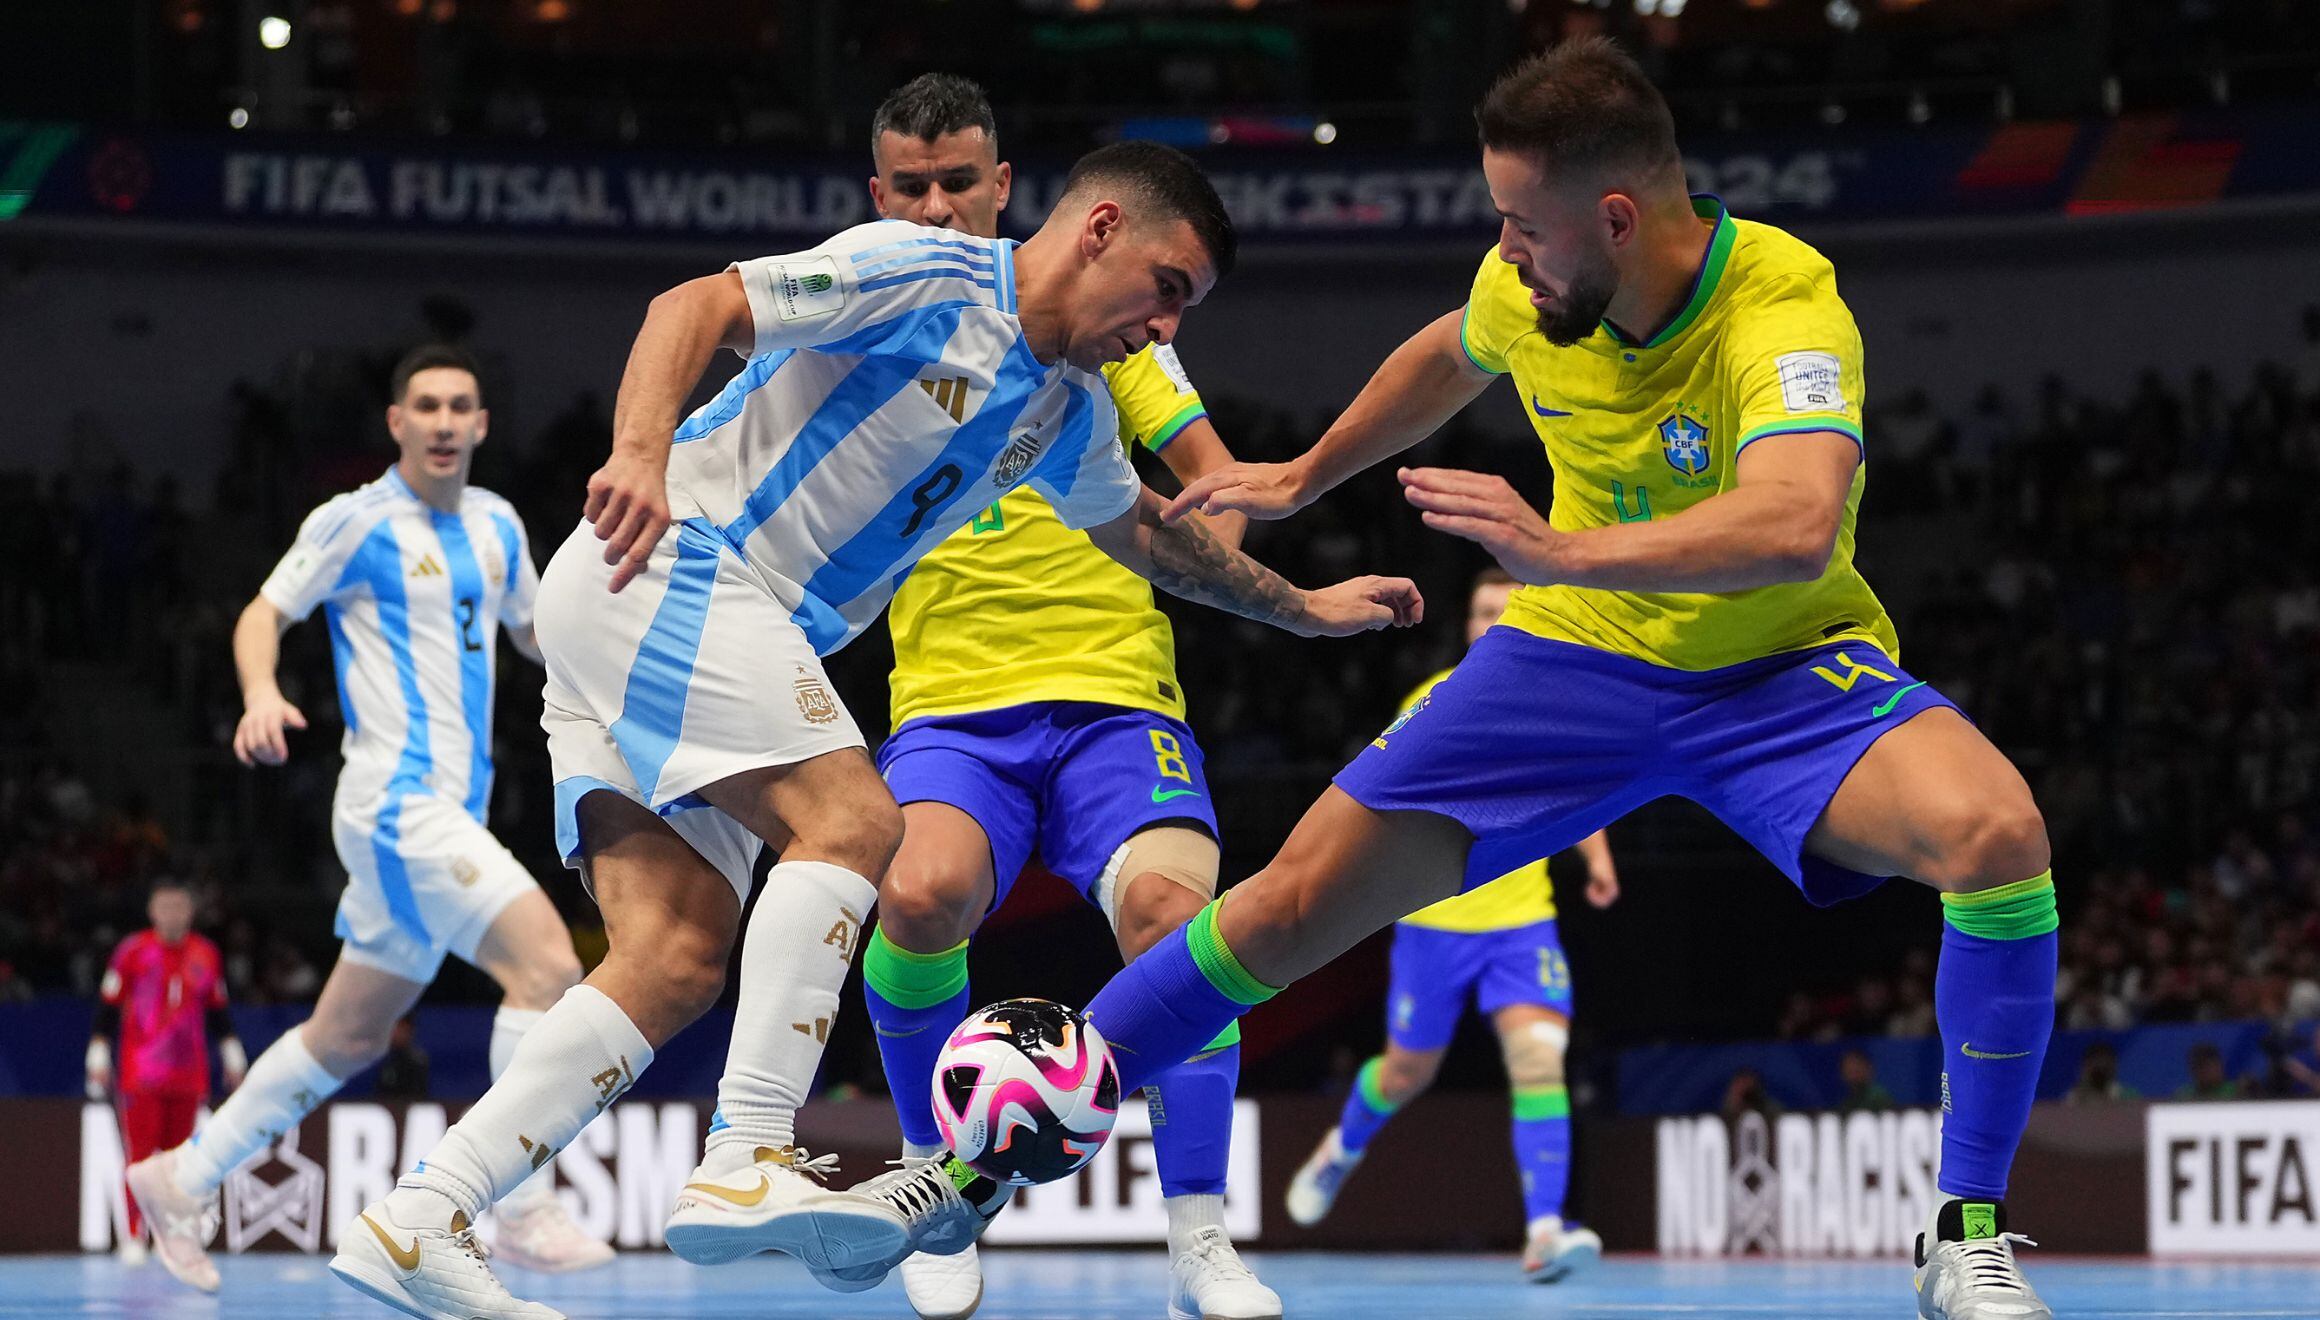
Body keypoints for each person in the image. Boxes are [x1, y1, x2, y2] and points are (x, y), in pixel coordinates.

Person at [834, 40, 2063, 1320]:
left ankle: (1963, 1232)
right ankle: (965, 1179)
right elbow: (1447, 353)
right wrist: (1305, 474)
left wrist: (1556, 547)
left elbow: (1796, 520)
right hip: (1578, 661)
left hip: (1781, 669)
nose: (1504, 250)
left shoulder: (1783, 308)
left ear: (1618, 217)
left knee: (1997, 833)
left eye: (1521, 225)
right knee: (1284, 904)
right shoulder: (1532, 283)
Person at [328, 140, 1418, 1320]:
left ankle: (423, 1213)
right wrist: (637, 453)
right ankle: (745, 1150)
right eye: (1167, 287)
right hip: (676, 563)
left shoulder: (1067, 414)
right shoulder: (929, 274)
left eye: (1184, 310)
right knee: (853, 821)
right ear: (1101, 227)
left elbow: (1156, 541)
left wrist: (1304, 610)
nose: (1163, 328)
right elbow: (694, 305)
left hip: (681, 628)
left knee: (676, 957)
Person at [853, 74, 1276, 1320]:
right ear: (877, 198)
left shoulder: (1112, 333)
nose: (937, 205)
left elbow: (1221, 484)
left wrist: (1187, 545)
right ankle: (940, 1200)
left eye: (959, 183)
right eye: (911, 187)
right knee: (919, 895)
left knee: (1171, 914)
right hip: (949, 704)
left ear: (1003, 189)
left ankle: (1199, 1239)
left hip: (1112, 695)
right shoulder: (869, 330)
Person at [128, 345, 611, 1295]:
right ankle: (517, 1205)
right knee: (548, 968)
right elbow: (262, 614)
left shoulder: (500, 526)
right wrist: (260, 694)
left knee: (345, 1036)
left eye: (458, 406)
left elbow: (534, 634)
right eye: (423, 405)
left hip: (448, 811)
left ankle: (180, 1178)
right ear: (397, 423)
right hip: (396, 806)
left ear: (480, 425)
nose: (441, 421)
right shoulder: (355, 522)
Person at [1284, 568, 1616, 1283]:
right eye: (1481, 610)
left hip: (1521, 922)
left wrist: (1597, 856)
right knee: (1407, 1071)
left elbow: (1576, 782)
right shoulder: (1432, 699)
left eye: (1505, 611)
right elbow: (1382, 793)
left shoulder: (1557, 703)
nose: (1491, 621)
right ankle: (1341, 1148)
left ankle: (1545, 1230)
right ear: (1467, 625)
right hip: (1435, 923)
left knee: (1537, 1060)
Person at [88, 879, 245, 1263]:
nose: (173, 914)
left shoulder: (206, 954)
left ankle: (169, 1237)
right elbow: (109, 1005)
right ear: (152, 911)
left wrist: (231, 1052)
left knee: (179, 1162)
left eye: (180, 907)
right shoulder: (132, 952)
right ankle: (132, 1236)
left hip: (189, 1074)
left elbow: (218, 1010)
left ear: (190, 912)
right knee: (140, 1157)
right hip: (141, 1073)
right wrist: (98, 1049)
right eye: (165, 907)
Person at [2063, 1040, 2136, 1103]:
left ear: (2113, 1067)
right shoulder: (2074, 1097)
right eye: (2095, 1065)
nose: (2100, 1068)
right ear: (2085, 1068)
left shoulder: (2127, 1096)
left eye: (2105, 1067)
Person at [1838, 1048, 1896, 1113]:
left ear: (1867, 1069)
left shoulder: (1878, 1097)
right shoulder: (1848, 1101)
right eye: (1849, 1069)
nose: (1853, 1073)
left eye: (1856, 1067)